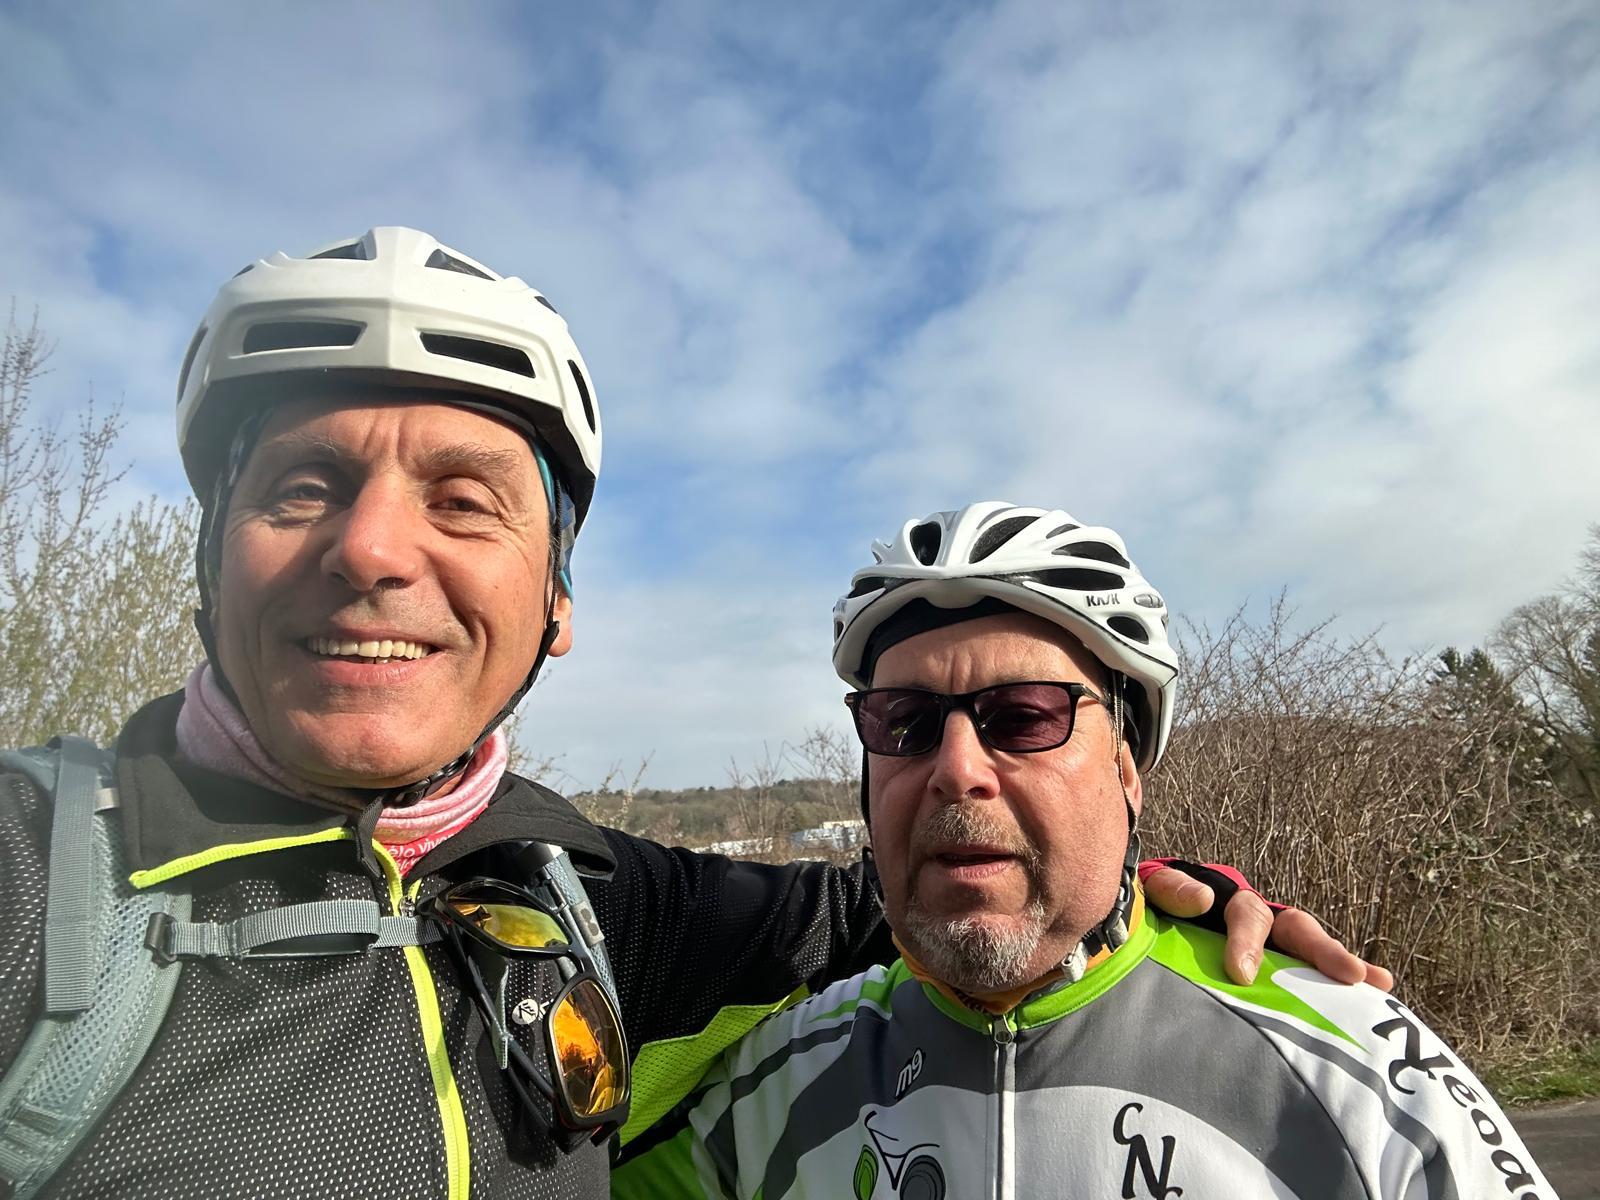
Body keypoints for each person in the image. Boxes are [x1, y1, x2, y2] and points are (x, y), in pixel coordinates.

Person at [0, 231, 1378, 1200]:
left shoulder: (583, 896)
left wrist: (1154, 893)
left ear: (557, 602)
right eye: (302, 486)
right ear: (210, 553)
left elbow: (907, 897)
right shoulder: (36, 878)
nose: (370, 549)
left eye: (464, 500)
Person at [612, 501, 1552, 1200]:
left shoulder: (1353, 1067)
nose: (956, 770)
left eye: (1025, 716)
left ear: (1127, 770)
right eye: (904, 722)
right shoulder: (770, 1089)